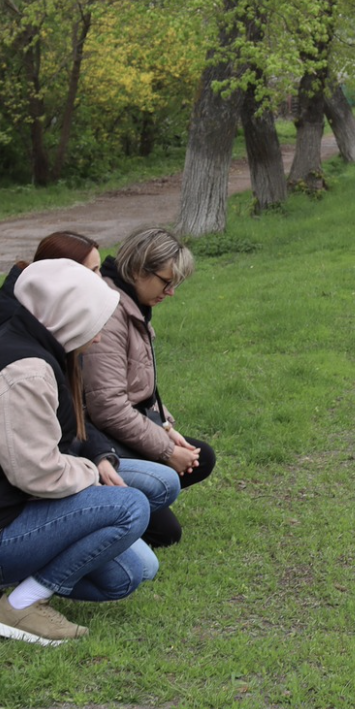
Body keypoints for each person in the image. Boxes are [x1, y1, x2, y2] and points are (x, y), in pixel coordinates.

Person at [0, 259, 168, 646]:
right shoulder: (24, 371)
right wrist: (92, 474)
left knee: (128, 575)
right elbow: (38, 474)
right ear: (69, 319)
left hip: (8, 511)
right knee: (131, 506)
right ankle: (21, 603)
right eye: (94, 325)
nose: (99, 337)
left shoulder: (36, 348)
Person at [79, 227, 214, 549]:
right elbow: (107, 408)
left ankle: (131, 497)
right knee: (165, 533)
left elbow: (139, 386)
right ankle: (102, 504)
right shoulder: (111, 313)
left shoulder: (132, 303)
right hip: (95, 441)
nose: (171, 292)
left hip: (118, 429)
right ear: (139, 270)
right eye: (167, 282)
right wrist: (166, 450)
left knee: (200, 457)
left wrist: (165, 426)